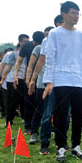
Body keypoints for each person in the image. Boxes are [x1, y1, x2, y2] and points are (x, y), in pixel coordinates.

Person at [43, 1, 82, 162]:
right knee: (61, 115)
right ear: (64, 14)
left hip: (78, 81)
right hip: (61, 80)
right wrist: (49, 81)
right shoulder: (55, 34)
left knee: (78, 115)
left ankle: (76, 146)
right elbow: (50, 58)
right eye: (72, 12)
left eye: (78, 13)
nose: (76, 16)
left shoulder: (81, 35)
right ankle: (60, 147)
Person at [28, 15, 65, 154]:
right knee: (46, 113)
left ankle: (62, 142)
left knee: (64, 115)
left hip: (64, 83)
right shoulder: (46, 40)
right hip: (48, 83)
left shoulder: (70, 39)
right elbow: (41, 61)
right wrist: (32, 79)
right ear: (57, 24)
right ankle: (44, 142)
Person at [13, 31, 45, 134]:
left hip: (44, 77)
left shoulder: (48, 45)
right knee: (29, 102)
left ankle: (41, 124)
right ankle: (28, 125)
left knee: (41, 102)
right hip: (30, 76)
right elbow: (19, 61)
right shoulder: (27, 46)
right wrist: (16, 75)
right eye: (36, 43)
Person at [0, 34, 29, 127]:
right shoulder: (14, 54)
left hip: (26, 79)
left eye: (28, 41)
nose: (26, 43)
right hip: (14, 80)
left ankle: (26, 119)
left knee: (26, 100)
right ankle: (9, 121)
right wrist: (2, 79)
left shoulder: (30, 53)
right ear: (20, 42)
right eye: (24, 41)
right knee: (13, 101)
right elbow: (8, 67)